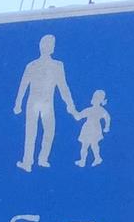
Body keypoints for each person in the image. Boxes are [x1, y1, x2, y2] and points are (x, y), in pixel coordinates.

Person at [13, 34, 78, 171]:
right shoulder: (32, 65)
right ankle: (27, 162)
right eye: (47, 44)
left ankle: (42, 159)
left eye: (51, 45)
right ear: (41, 46)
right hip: (33, 103)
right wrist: (18, 103)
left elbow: (63, 87)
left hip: (47, 104)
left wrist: (70, 105)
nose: (49, 47)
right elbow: (23, 85)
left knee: (49, 131)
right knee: (31, 132)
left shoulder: (57, 65)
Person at [75, 89, 110, 167]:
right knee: (90, 145)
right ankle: (87, 160)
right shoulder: (94, 110)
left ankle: (90, 159)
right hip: (90, 129)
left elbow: (78, 117)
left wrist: (107, 127)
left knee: (90, 145)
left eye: (96, 98)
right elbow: (79, 116)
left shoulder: (94, 110)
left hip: (92, 129)